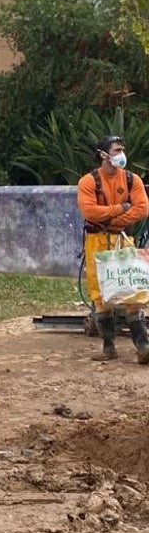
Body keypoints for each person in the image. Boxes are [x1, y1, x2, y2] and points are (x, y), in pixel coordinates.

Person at [77, 134, 149, 362]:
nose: (121, 154)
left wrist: (111, 219)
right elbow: (90, 212)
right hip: (96, 241)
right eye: (117, 150)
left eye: (121, 149)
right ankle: (109, 347)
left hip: (123, 239)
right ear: (103, 155)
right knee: (100, 294)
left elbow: (142, 209)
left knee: (131, 289)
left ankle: (143, 346)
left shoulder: (131, 179)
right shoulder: (88, 182)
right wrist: (120, 209)